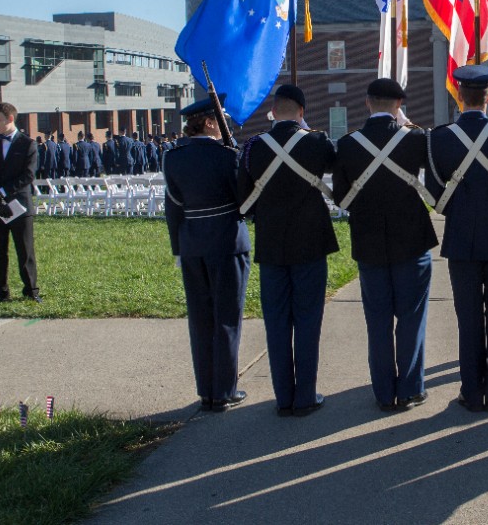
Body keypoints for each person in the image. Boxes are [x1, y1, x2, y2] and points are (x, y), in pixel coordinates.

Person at [331, 77, 437, 412]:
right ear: (399, 105)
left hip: (370, 241)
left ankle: (383, 393)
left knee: (377, 322)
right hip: (412, 240)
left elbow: (342, 198)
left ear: (367, 103)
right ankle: (410, 388)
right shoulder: (416, 138)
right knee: (411, 318)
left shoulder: (348, 144)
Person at [426, 65, 488, 413]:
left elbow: (436, 192)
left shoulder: (439, 137)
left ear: (459, 95)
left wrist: (461, 211)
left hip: (461, 236)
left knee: (467, 318)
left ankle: (471, 390)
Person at [242, 84, 337, 418]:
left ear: (273, 111)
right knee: (309, 321)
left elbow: (243, 201)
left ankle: (284, 397)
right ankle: (306, 396)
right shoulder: (316, 141)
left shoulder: (254, 146)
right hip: (310, 242)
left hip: (271, 244)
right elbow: (334, 169)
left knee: (277, 323)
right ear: (301, 111)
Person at [163, 94, 251, 412]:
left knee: (201, 321)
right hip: (227, 244)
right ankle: (225, 390)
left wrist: (178, 247)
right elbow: (244, 201)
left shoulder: (173, 157)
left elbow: (173, 208)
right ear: (211, 122)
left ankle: (206, 392)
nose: (225, 124)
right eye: (222, 120)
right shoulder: (228, 156)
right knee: (227, 319)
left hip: (191, 246)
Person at [0, 103, 41, 304]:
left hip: (19, 204)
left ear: (10, 119)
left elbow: (28, 175)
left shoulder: (27, 144)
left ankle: (31, 291)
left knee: (25, 250)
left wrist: (3, 192)